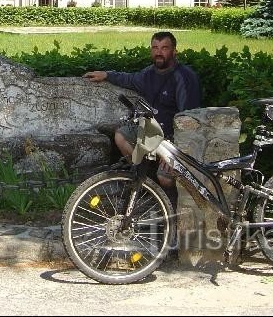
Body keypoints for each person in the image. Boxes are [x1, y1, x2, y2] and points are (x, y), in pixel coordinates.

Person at [82, 31, 200, 209]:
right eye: (155, 48)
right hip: (153, 132)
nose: (159, 52)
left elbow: (189, 118)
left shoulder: (183, 77)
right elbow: (129, 79)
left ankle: (170, 211)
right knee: (122, 135)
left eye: (164, 48)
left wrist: (174, 150)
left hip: (175, 139)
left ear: (175, 51)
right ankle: (146, 182)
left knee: (166, 177)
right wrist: (106, 75)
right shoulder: (149, 74)